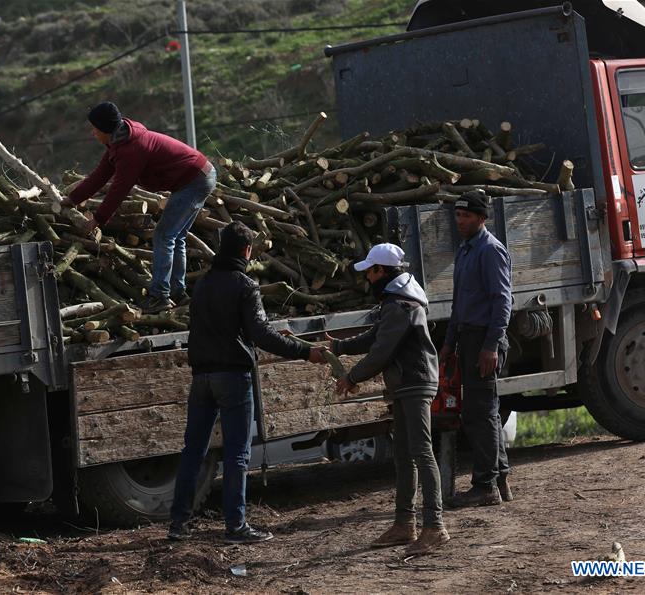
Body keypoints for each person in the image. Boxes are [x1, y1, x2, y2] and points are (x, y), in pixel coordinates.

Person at [168, 221, 325, 544]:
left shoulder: (203, 284)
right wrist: (304, 351)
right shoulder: (244, 285)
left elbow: (228, 329)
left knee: (193, 451)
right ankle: (236, 526)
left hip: (202, 377)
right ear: (246, 251)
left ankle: (178, 524)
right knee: (237, 454)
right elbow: (259, 334)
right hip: (233, 378)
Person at [328, 243, 450, 556]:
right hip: (406, 383)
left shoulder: (401, 306)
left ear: (382, 270)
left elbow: (382, 352)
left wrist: (351, 378)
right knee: (404, 454)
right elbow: (373, 338)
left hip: (414, 382)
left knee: (421, 451)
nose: (367, 277)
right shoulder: (396, 301)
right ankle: (404, 524)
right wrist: (337, 348)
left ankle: (434, 526)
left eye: (370, 271)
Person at [63, 101, 216, 314]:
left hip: (195, 180)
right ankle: (177, 292)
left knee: (164, 235)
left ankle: (159, 296)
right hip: (199, 175)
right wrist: (71, 199)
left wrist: (98, 219)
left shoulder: (132, 149)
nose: (93, 133)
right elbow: (98, 177)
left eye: (95, 129)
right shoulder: (119, 143)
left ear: (106, 129)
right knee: (175, 236)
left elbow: (120, 188)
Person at [441, 190, 514, 507]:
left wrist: (491, 346)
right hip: (469, 339)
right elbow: (459, 303)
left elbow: (502, 302)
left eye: (466, 216)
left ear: (481, 218)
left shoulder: (490, 251)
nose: (460, 221)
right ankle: (500, 481)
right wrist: (448, 343)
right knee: (485, 413)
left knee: (479, 413)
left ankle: (485, 487)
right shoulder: (465, 251)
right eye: (457, 215)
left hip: (485, 339)